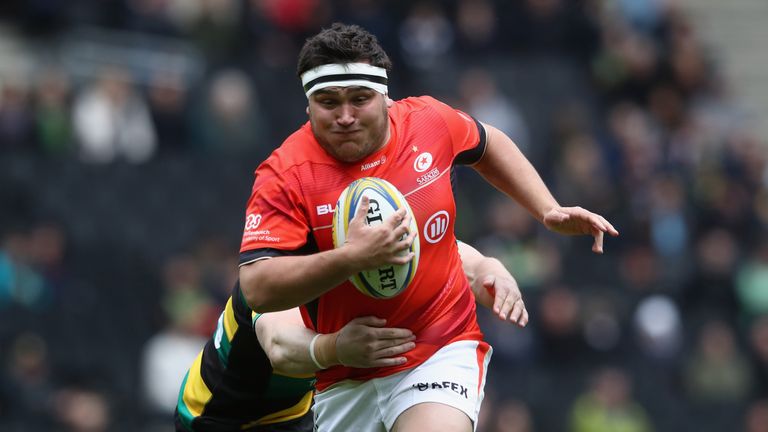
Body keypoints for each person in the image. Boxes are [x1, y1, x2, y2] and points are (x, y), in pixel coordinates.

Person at [237, 23, 618, 432]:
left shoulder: (428, 122)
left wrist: (547, 209)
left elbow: (487, 144)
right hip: (345, 374)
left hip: (439, 342)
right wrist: (353, 258)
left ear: (385, 97)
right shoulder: (285, 173)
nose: (345, 116)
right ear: (308, 105)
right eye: (328, 102)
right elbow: (257, 286)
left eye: (360, 99)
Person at [175, 242, 527, 431]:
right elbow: (280, 347)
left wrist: (489, 270)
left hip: (297, 413)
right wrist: (337, 347)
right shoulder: (285, 267)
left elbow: (445, 254)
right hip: (217, 418)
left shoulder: (368, 247)